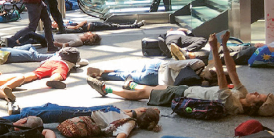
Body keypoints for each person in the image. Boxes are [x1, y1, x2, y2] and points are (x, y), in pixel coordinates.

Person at [87, 33, 274, 117]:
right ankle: (124, 85)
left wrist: (214, 47)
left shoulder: (233, 103)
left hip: (183, 95)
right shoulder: (241, 95)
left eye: (257, 96)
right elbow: (232, 72)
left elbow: (221, 75)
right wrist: (225, 46)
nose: (254, 92)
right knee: (148, 89)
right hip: (186, 90)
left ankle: (107, 89)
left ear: (254, 106)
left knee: (143, 94)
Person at [57, 108, 160, 138]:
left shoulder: (129, 123)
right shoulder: (128, 117)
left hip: (88, 115)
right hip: (90, 113)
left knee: (52, 111)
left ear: (143, 110)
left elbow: (123, 134)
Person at [87, 59, 217, 88]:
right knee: (127, 75)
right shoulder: (200, 84)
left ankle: (103, 71)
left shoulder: (198, 63)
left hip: (157, 65)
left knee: (130, 70)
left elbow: (173, 64)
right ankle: (103, 74)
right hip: (156, 79)